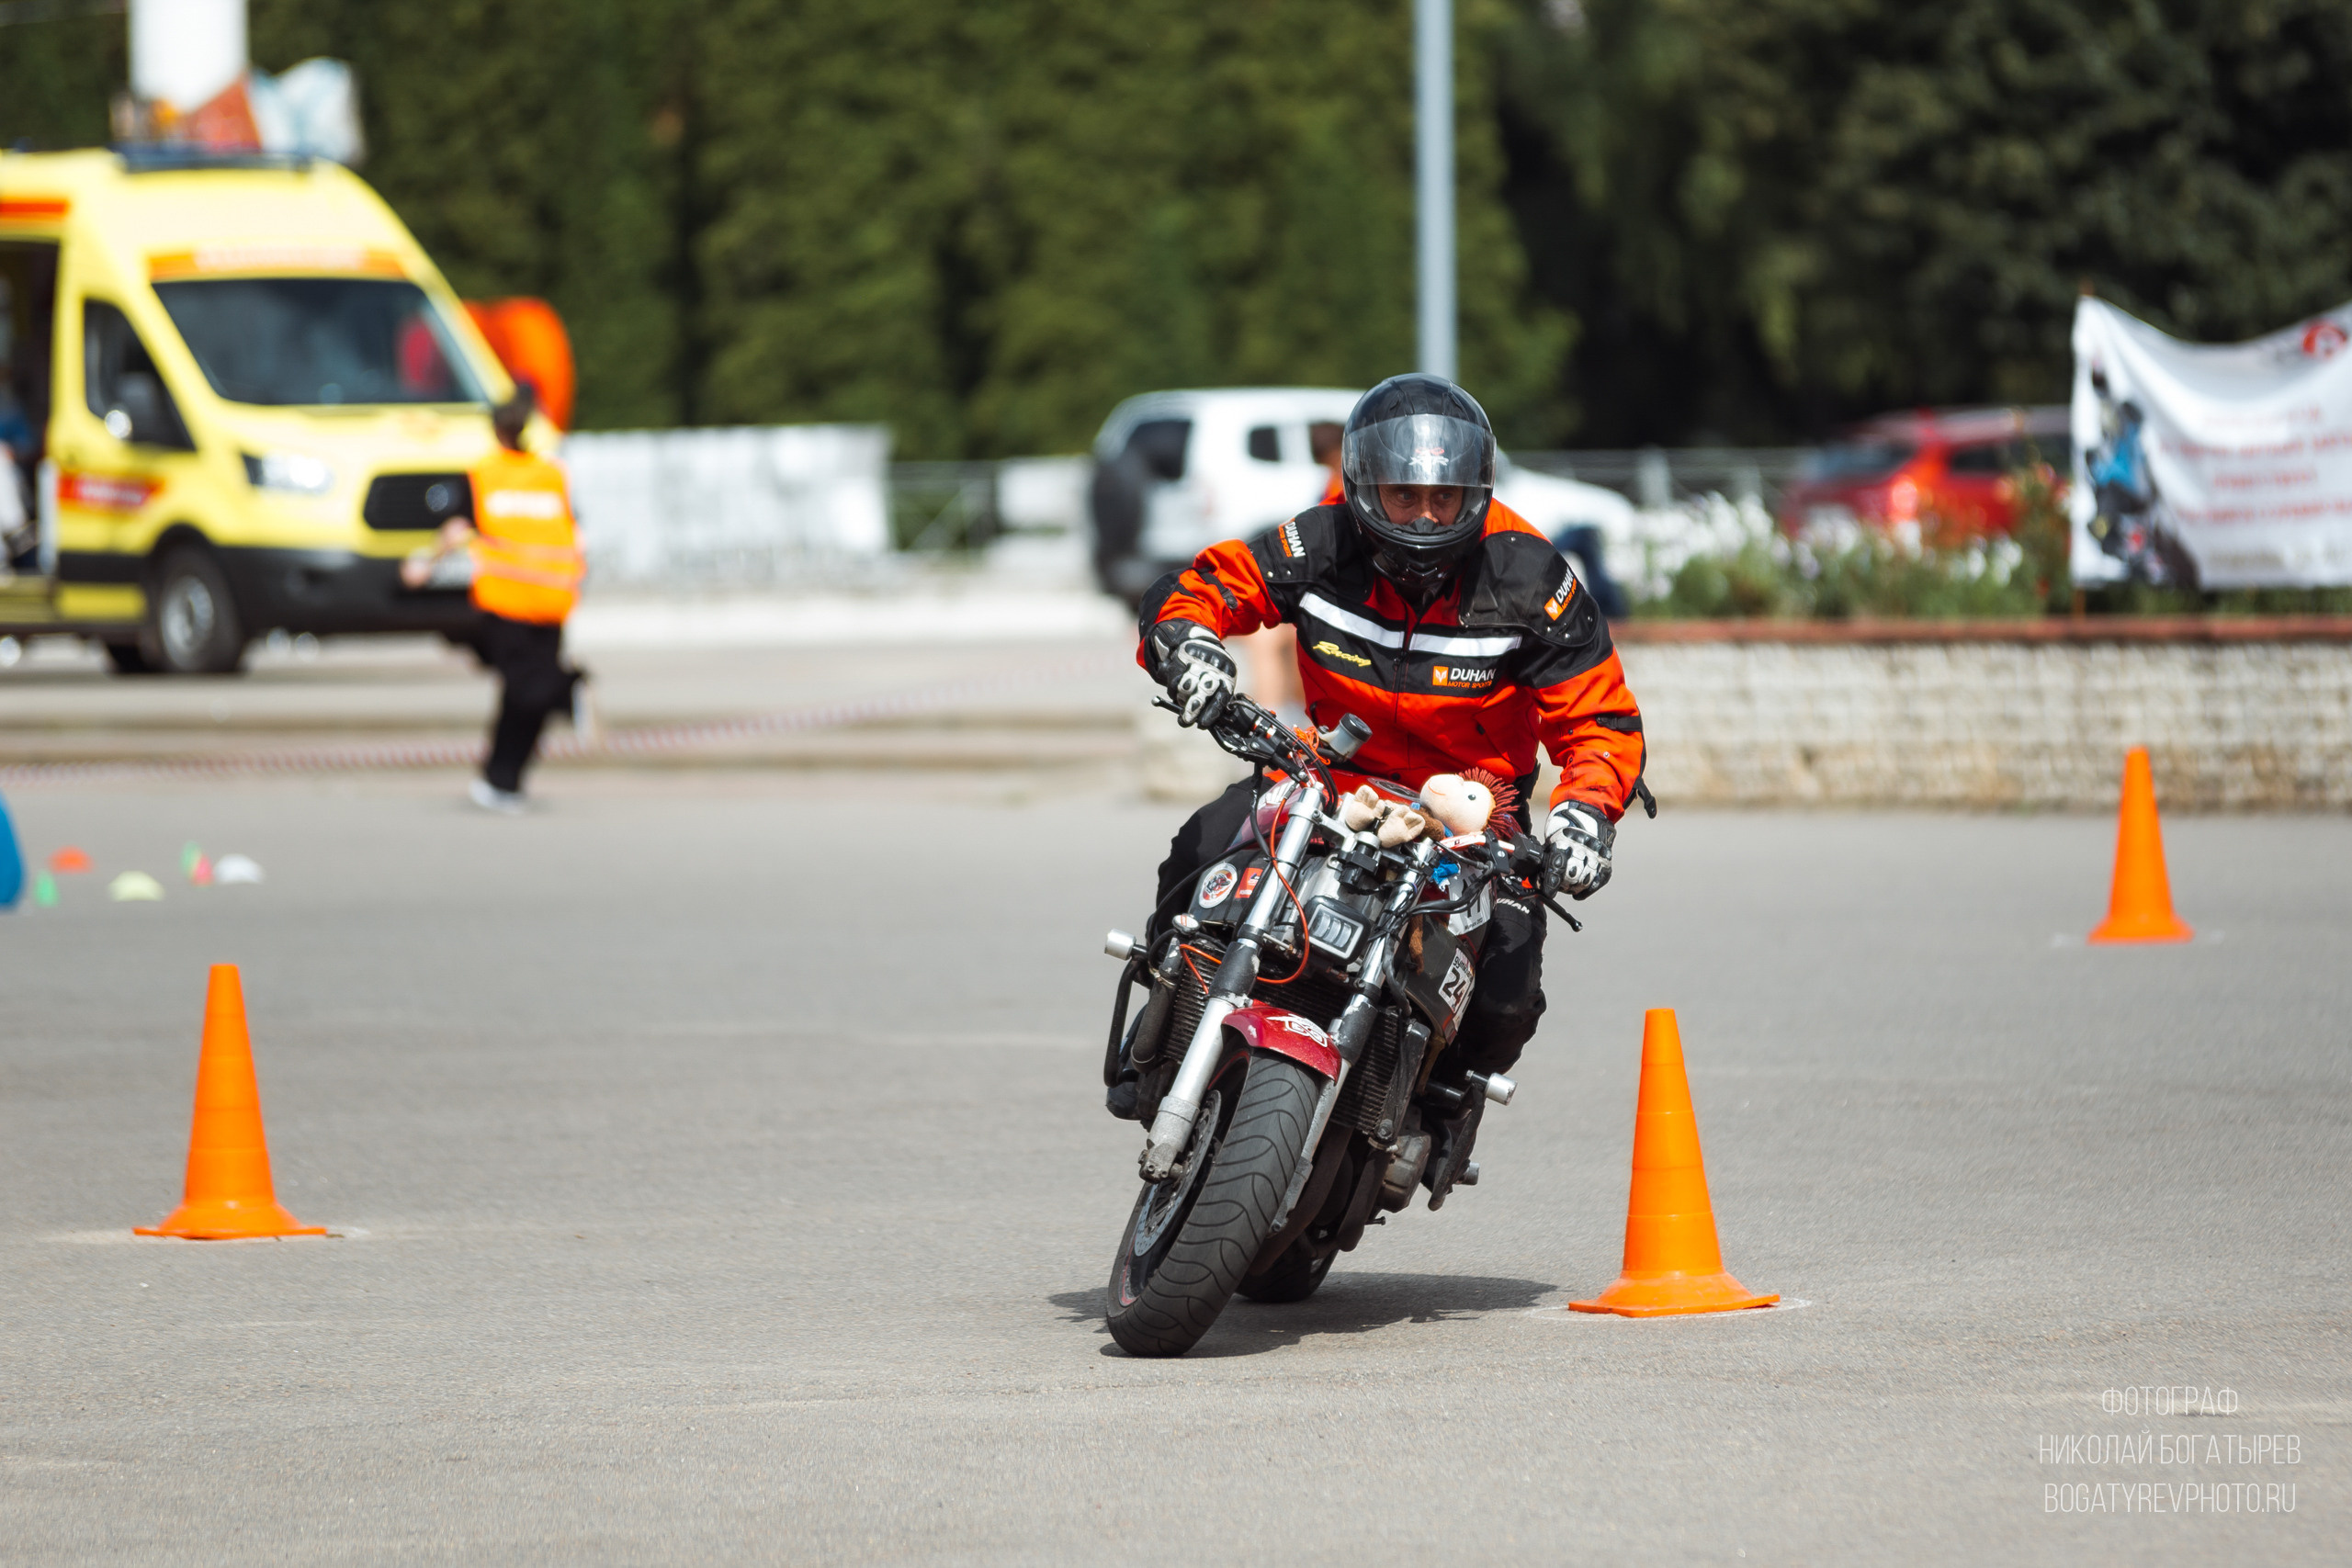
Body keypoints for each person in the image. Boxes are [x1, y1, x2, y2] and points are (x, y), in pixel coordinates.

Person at [1127, 372, 1648, 1134]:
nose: (1427, 515)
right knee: (1201, 848)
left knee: (1507, 981)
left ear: (1478, 488)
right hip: (1328, 779)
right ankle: (1162, 1027)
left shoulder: (1530, 577)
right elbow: (1203, 586)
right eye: (1405, 495)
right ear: (1365, 485)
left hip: (1473, 814)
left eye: (1446, 496)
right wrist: (1190, 646)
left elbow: (1599, 718)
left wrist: (1585, 816)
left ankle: (1426, 1116)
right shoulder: (1322, 539)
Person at [401, 388, 589, 813]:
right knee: (526, 691)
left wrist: (425, 562)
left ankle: (508, 777)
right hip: (513, 602)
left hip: (542, 600)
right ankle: (503, 774)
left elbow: (570, 532)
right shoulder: (496, 474)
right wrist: (426, 564)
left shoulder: (542, 474)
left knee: (526, 696)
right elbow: (459, 526)